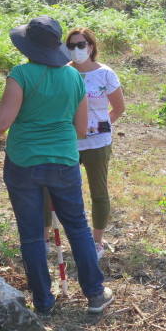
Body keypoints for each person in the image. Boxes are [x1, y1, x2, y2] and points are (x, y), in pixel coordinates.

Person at [0, 16, 114, 315]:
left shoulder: (20, 75)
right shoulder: (74, 77)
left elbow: (1, 124)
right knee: (78, 228)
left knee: (33, 234)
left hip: (24, 163)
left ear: (28, 46)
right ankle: (95, 294)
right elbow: (80, 128)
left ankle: (43, 302)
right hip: (63, 161)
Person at [42, 27, 125, 259]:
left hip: (97, 144)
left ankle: (96, 242)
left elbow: (118, 108)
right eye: (71, 45)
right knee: (50, 188)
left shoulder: (105, 74)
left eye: (81, 44)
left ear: (91, 46)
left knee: (98, 192)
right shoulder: (61, 72)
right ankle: (44, 238)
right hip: (66, 143)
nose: (76, 49)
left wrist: (102, 125)